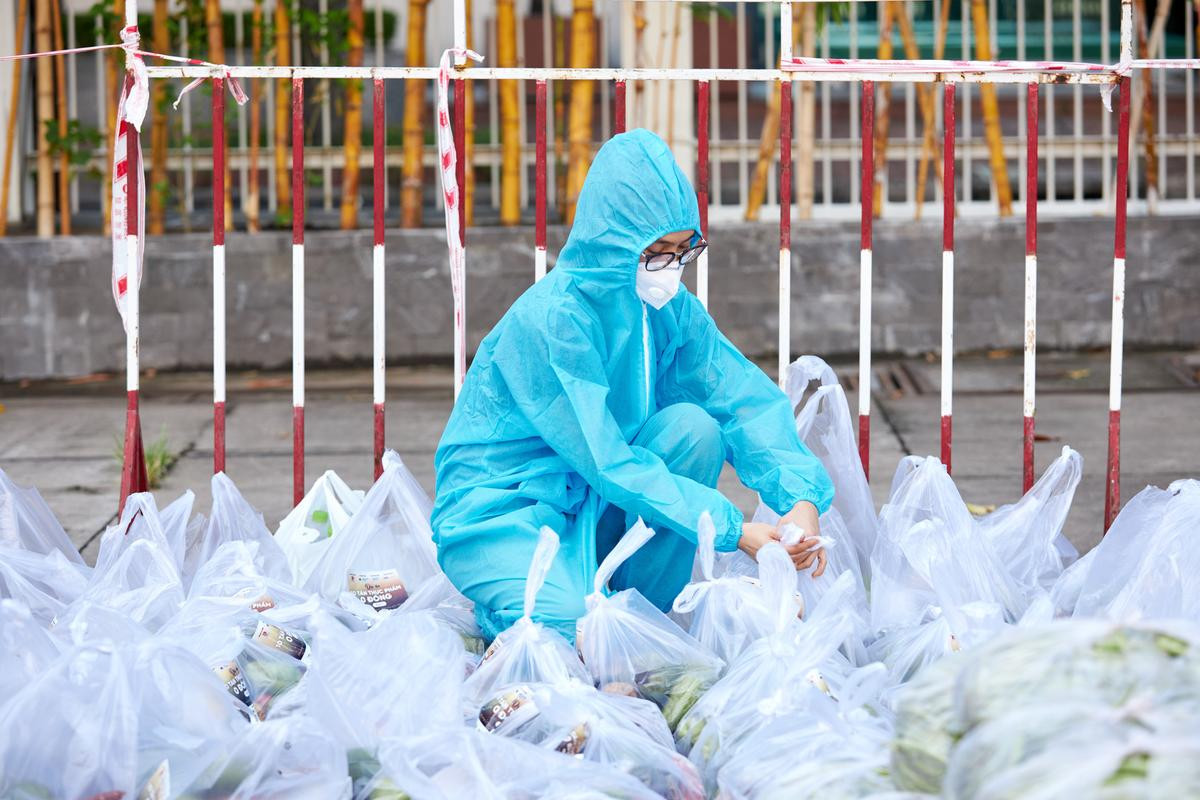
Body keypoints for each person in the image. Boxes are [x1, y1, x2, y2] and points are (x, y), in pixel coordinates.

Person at [431, 129, 834, 643]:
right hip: (503, 511)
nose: (670, 268)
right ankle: (524, 616)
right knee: (564, 626)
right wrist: (733, 530)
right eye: (657, 250)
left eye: (681, 250)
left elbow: (739, 398)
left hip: (593, 498)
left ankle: (644, 616)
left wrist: (800, 498)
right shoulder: (555, 321)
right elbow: (607, 459)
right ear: (613, 239)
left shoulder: (667, 310)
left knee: (694, 430)